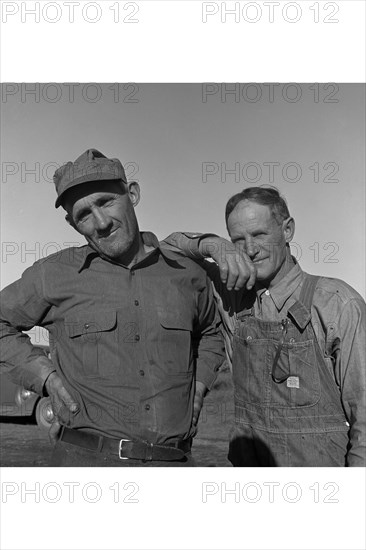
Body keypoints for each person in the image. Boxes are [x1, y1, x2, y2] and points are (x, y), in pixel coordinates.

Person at [0, 149, 225, 467]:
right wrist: (46, 377)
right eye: (84, 215)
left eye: (106, 202)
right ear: (71, 223)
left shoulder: (187, 274)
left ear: (132, 194)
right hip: (83, 466)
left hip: (173, 466)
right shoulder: (53, 275)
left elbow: (211, 331)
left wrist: (199, 386)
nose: (101, 223)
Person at [164, 186, 366, 466]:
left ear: (287, 230)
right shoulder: (231, 298)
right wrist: (214, 245)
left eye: (260, 234)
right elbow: (167, 249)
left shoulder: (336, 303)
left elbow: (364, 419)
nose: (249, 249)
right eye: (237, 240)